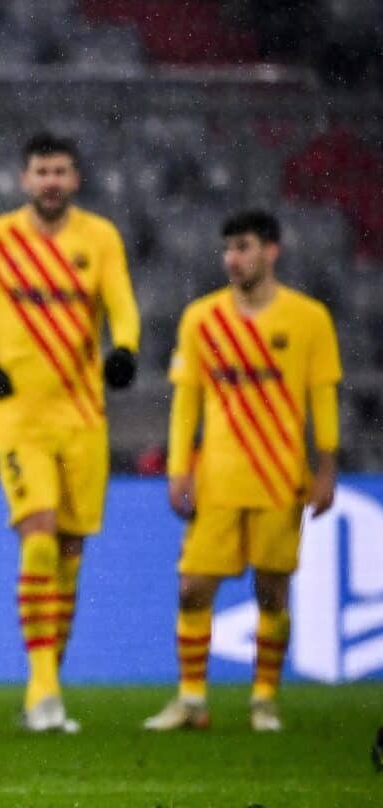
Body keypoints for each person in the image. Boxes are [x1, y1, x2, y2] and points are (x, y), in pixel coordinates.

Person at [0, 132, 140, 732]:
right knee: (38, 537)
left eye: (61, 171)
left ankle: (47, 687)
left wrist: (125, 349)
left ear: (76, 179)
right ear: (24, 180)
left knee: (69, 554)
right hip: (20, 422)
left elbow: (122, 304)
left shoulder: (101, 239)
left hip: (84, 419)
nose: (51, 181)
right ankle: (43, 692)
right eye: (41, 171)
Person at [144, 210, 341, 733]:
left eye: (244, 247)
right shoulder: (200, 318)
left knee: (272, 591)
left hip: (281, 477)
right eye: (228, 248)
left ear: (271, 251)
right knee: (192, 588)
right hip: (219, 479)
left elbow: (321, 395)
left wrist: (327, 466)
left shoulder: (308, 319)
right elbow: (186, 401)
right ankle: (191, 700)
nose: (234, 258)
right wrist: (178, 468)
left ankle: (264, 700)